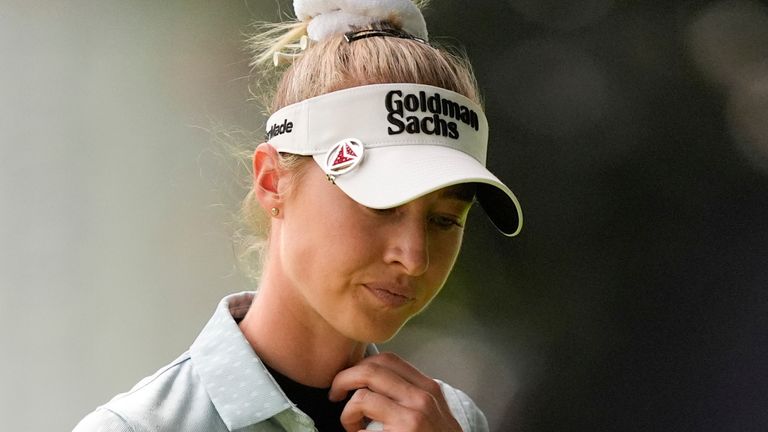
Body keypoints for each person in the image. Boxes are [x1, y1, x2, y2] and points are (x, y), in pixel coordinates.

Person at [73, 0, 522, 431]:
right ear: (272, 182)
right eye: (381, 204)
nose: (414, 258)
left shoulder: (452, 420)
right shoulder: (139, 427)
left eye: (445, 220)